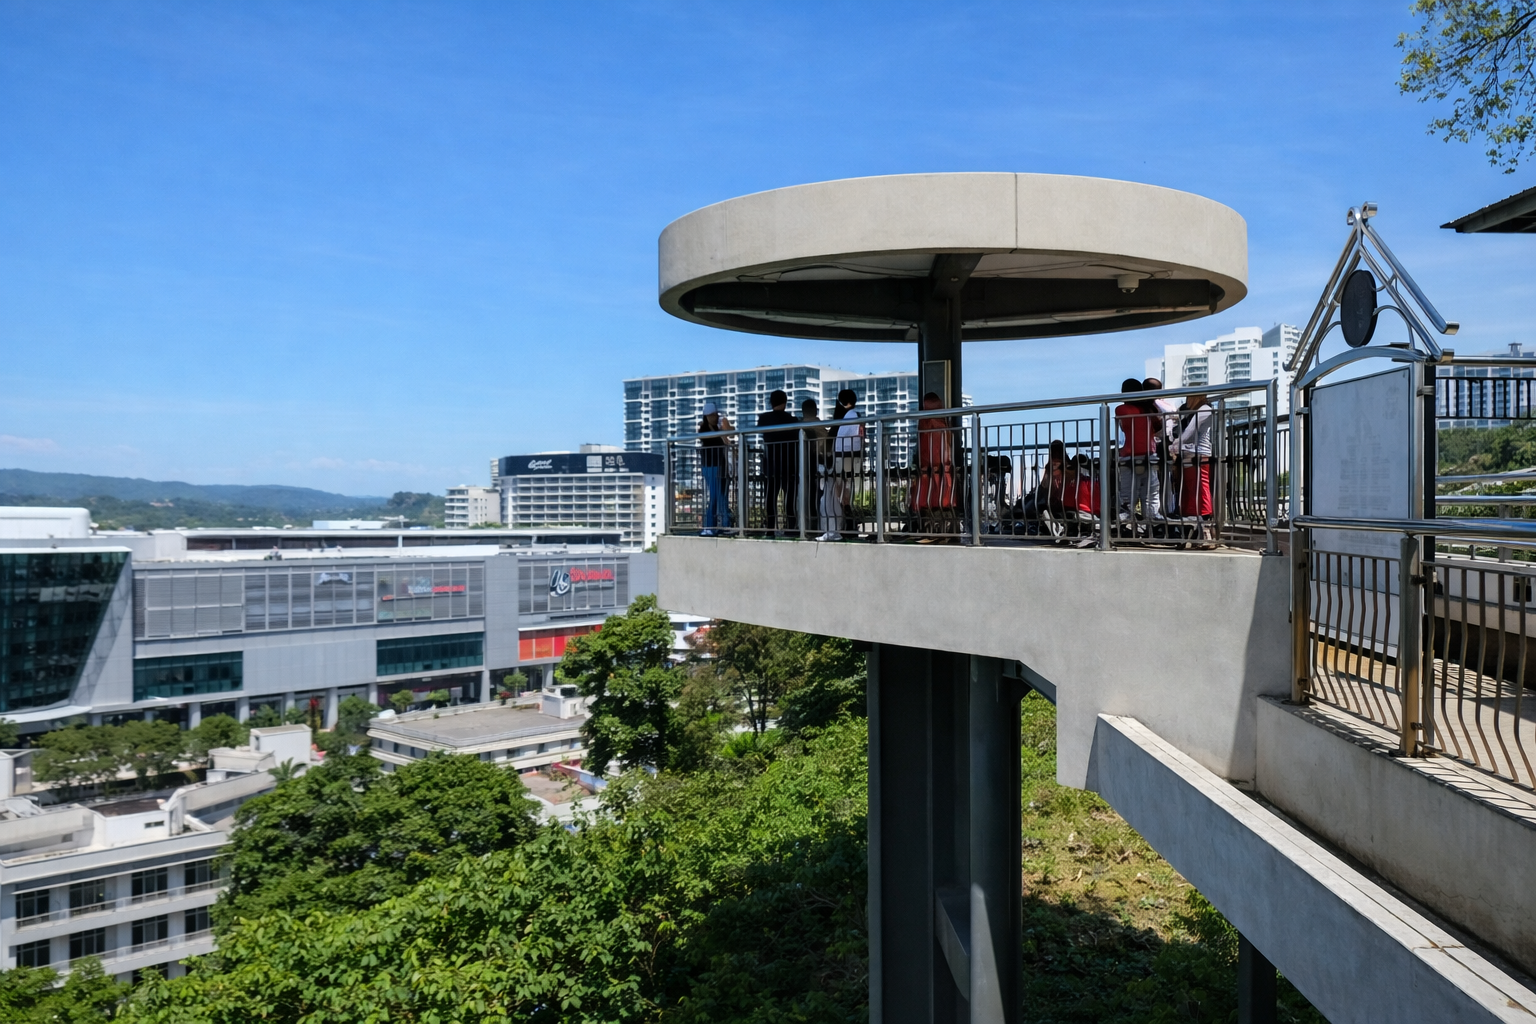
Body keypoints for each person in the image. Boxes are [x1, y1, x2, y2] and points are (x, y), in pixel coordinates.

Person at [1114, 378, 1161, 527]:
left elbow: (1123, 427)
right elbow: (1158, 428)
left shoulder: (1121, 410)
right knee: (1151, 495)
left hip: (1129, 455)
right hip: (1149, 454)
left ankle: (1127, 526)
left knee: (1127, 495)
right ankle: (1152, 526)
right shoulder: (1150, 409)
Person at [819, 389, 863, 541]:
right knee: (847, 494)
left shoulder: (844, 417)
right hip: (854, 458)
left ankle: (843, 527)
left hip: (841, 458)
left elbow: (835, 438)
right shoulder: (857, 416)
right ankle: (850, 526)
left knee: (839, 495)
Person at [912, 391, 957, 540]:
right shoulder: (943, 422)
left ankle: (930, 532)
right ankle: (944, 533)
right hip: (942, 469)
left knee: (927, 500)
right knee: (942, 500)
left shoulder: (925, 422)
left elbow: (926, 449)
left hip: (929, 469)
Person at [1173, 392, 1215, 543]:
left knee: (1200, 489)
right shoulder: (1197, 411)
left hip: (1198, 454)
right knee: (1191, 490)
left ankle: (1204, 524)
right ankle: (1196, 527)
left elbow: (1190, 432)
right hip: (1190, 454)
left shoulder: (1204, 410)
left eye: (1189, 397)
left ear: (1198, 397)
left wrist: (1174, 446)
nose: (1187, 401)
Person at [756, 389, 799, 534]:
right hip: (790, 463)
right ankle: (791, 527)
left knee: (770, 497)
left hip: (771, 464)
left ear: (771, 402)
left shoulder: (763, 419)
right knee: (790, 497)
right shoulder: (792, 421)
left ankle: (770, 528)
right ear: (785, 402)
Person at [698, 401, 734, 536]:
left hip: (721, 464)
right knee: (714, 496)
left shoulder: (718, 427)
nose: (713, 417)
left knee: (722, 496)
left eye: (714, 415)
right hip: (710, 465)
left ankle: (725, 525)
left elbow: (731, 433)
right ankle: (709, 525)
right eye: (710, 415)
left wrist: (723, 426)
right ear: (706, 416)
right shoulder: (704, 429)